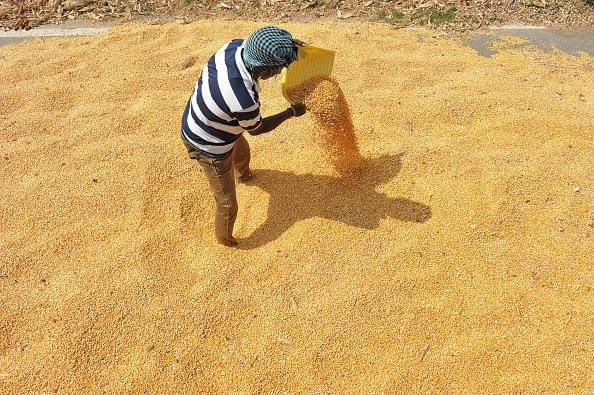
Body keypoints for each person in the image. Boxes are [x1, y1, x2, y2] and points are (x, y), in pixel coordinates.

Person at [180, 26, 307, 247]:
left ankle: (243, 174)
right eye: (278, 69)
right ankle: (225, 240)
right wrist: (291, 112)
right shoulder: (243, 99)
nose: (278, 73)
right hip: (208, 145)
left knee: (241, 153)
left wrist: (286, 45)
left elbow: (263, 42)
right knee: (227, 203)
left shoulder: (233, 46)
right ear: (264, 71)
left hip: (212, 119)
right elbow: (257, 128)